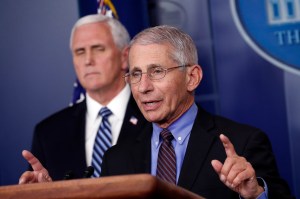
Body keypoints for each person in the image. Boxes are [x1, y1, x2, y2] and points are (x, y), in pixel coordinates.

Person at [19, 25, 294, 199]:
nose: (143, 87)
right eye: (135, 74)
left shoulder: (244, 142)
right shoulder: (117, 157)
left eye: (157, 71)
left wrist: (255, 193)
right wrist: (53, 193)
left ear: (193, 77)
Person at [19, 14, 147, 181]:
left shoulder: (153, 116)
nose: (88, 60)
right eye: (80, 52)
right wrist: (44, 192)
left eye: (98, 48)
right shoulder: (48, 133)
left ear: (125, 57)